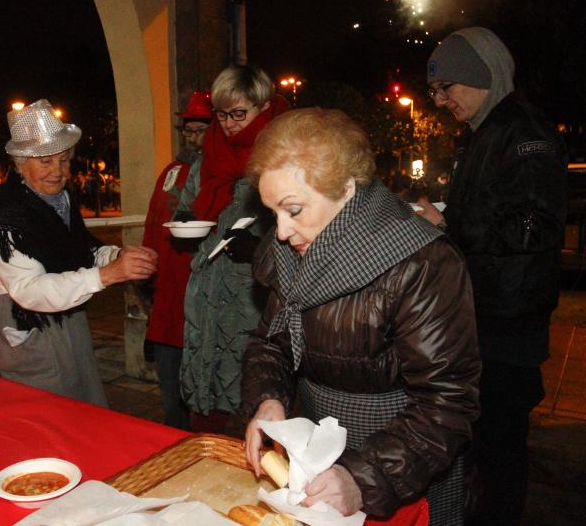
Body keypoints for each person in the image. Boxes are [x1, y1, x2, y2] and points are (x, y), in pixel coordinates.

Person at [242, 108, 481, 524]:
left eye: (293, 209)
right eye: (272, 212)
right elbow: (270, 342)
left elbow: (448, 403)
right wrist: (268, 399)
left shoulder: (423, 264)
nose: (280, 231)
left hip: (405, 464)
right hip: (318, 452)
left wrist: (364, 476)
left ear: (347, 189)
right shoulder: (296, 249)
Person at [417, 27, 567, 525]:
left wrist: (450, 222)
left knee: (502, 443)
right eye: (435, 91)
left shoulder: (523, 132)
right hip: (484, 314)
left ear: (481, 79)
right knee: (479, 440)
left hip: (510, 322)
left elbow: (536, 225)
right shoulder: (485, 131)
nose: (440, 101)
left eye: (447, 88)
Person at [0, 99, 157, 406]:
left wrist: (116, 257)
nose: (59, 171)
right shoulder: (7, 214)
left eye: (64, 160)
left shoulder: (59, 199)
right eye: (45, 161)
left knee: (77, 397)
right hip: (21, 323)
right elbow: (29, 291)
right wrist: (106, 275)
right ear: (20, 163)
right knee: (41, 408)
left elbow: (79, 247)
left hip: (62, 311)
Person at [176, 65, 290, 432]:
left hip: (254, 295)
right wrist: (184, 217)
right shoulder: (209, 153)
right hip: (208, 291)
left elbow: (309, 231)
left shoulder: (284, 155)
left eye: (239, 114)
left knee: (250, 396)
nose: (228, 124)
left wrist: (261, 248)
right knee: (207, 412)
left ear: (264, 107)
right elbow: (194, 201)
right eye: (221, 115)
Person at [142, 90, 212, 430]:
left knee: (203, 395)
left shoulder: (221, 176)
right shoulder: (171, 171)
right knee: (170, 390)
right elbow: (153, 223)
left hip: (202, 301)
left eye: (201, 130)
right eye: (189, 131)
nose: (193, 138)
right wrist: (145, 272)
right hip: (167, 298)